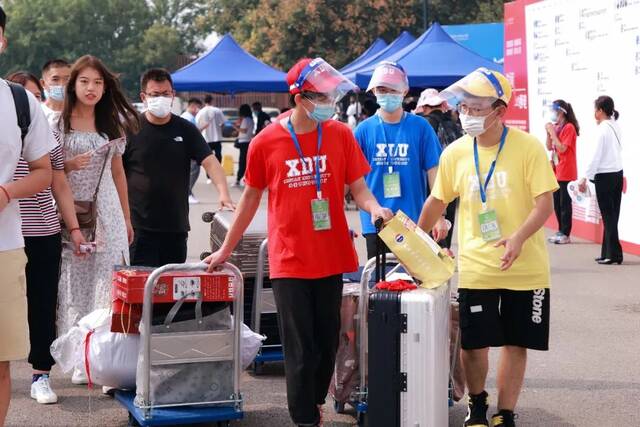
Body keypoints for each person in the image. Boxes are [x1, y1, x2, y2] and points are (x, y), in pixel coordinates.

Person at [203, 57, 393, 427]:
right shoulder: (265, 142)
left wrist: (376, 209)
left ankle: (314, 400)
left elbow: (359, 189)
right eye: (321, 96)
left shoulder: (339, 135)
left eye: (330, 96)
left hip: (332, 255)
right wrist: (225, 249)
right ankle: (304, 417)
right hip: (289, 259)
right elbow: (250, 199)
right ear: (299, 97)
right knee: (300, 347)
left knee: (326, 343)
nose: (328, 103)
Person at [417, 68, 558, 427]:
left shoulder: (528, 147)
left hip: (525, 267)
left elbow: (544, 204)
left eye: (477, 107)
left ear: (500, 110)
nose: (468, 114)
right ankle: (477, 403)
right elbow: (437, 200)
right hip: (477, 264)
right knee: (473, 343)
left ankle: (505, 412)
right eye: (464, 106)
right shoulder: (456, 153)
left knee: (515, 342)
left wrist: (518, 238)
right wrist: (414, 242)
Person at [56, 56, 140, 386]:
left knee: (109, 283)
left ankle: (107, 360)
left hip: (109, 214)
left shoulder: (110, 125)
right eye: (85, 82)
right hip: (73, 216)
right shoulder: (57, 124)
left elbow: (119, 173)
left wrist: (127, 216)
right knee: (75, 284)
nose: (92, 89)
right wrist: (69, 165)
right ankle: (79, 358)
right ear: (73, 85)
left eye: (98, 83)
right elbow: (48, 173)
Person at [6, 72, 86, 404]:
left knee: (41, 305)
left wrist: (75, 229)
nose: (34, 102)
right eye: (28, 95)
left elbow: (59, 184)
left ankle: (41, 373)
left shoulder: (47, 132)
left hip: (41, 230)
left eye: (37, 96)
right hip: (6, 234)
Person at [0, 5, 56, 422]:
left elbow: (43, 171)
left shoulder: (19, 101)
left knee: (0, 363)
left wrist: (7, 191)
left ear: (2, 39)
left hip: (5, 248)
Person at [124, 69, 234, 267]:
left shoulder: (185, 129)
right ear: (144, 97)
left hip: (175, 226)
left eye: (166, 94)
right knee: (141, 291)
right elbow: (116, 174)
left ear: (173, 95)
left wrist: (224, 194)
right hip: (138, 228)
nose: (161, 99)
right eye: (155, 95)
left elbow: (210, 161)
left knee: (171, 291)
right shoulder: (130, 128)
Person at [354, 61, 448, 260]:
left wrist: (440, 216)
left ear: (404, 91)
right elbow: (353, 179)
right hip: (376, 222)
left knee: (414, 285)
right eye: (381, 89)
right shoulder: (363, 130)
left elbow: (435, 173)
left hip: (415, 220)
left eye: (393, 89)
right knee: (378, 285)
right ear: (373, 91)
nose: (387, 94)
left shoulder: (420, 127)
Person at [416, 87, 464, 255]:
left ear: (425, 106)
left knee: (432, 218)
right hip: (455, 178)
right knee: (447, 219)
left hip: (432, 178)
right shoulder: (453, 124)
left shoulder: (424, 124)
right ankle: (445, 251)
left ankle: (433, 254)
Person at [579, 96, 623, 265]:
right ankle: (608, 252)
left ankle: (613, 255)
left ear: (601, 111)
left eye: (596, 109)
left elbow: (595, 157)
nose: (594, 112)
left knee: (608, 216)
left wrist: (585, 177)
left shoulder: (602, 129)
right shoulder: (615, 126)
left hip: (605, 176)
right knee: (613, 215)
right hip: (617, 174)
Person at [545, 100, 579, 245]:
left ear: (561, 112)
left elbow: (563, 148)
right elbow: (549, 147)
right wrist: (548, 133)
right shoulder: (557, 127)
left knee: (565, 203)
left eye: (554, 110)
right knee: (557, 203)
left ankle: (566, 233)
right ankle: (560, 231)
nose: (552, 113)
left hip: (567, 171)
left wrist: (552, 132)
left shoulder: (569, 127)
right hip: (556, 170)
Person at [181, 97, 204, 204]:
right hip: (189, 150)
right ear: (193, 106)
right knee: (193, 172)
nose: (199, 110)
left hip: (189, 150)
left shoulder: (188, 117)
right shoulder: (187, 118)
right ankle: (187, 193)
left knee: (192, 172)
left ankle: (188, 193)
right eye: (198, 107)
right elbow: (190, 135)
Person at [40, 59, 71, 125]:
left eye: (67, 79)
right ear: (43, 83)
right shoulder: (38, 112)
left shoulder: (79, 112)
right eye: (55, 79)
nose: (62, 84)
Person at [196, 94, 225, 162]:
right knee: (218, 156)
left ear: (204, 101)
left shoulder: (201, 112)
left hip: (206, 138)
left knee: (208, 157)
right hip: (217, 138)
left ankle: (208, 172)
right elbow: (223, 124)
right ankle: (217, 171)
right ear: (212, 101)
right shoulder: (217, 110)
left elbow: (197, 125)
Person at [234, 103, 254, 186]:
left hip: (244, 142)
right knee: (246, 161)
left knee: (242, 162)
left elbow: (243, 130)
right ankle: (244, 178)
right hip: (248, 141)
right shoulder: (250, 119)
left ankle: (239, 179)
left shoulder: (246, 119)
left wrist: (234, 127)